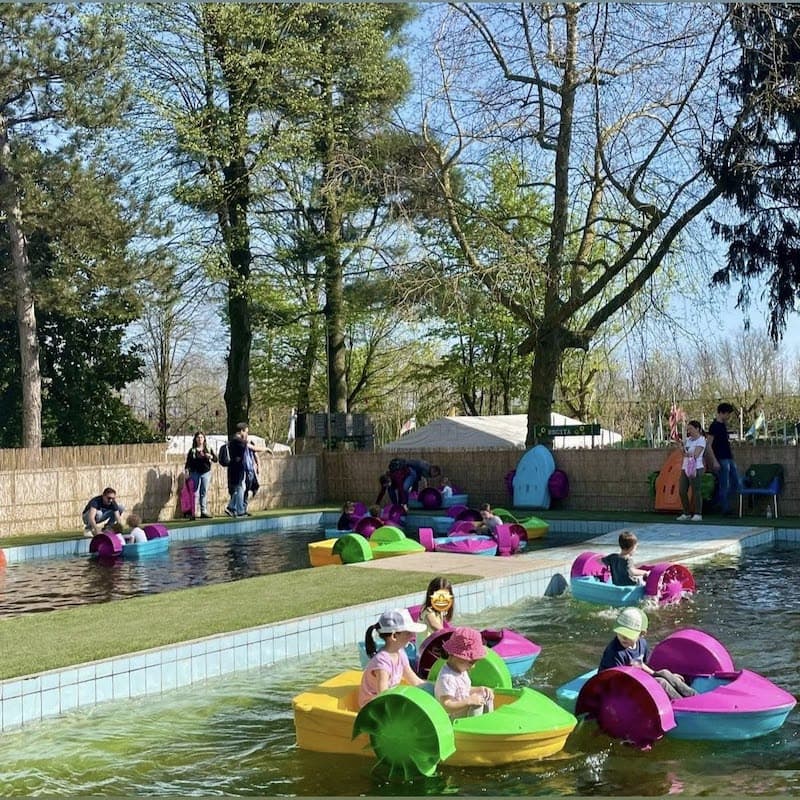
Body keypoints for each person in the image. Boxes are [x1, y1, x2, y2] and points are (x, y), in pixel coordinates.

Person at [599, 607, 697, 701]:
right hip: (621, 686)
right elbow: (616, 683)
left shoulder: (642, 644)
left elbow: (640, 664)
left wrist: (662, 675)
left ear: (641, 634)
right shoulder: (615, 653)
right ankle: (681, 703)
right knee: (661, 682)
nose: (623, 638)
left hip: (634, 678)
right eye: (620, 633)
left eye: (628, 635)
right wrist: (652, 681)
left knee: (664, 673)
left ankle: (694, 696)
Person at [358, 609, 428, 708]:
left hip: (388, 699)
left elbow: (415, 681)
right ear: (394, 636)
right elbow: (383, 695)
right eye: (408, 633)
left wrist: (434, 687)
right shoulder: (382, 662)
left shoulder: (400, 653)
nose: (412, 636)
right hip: (371, 707)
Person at [434, 627, 495, 719]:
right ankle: (476, 728)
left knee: (486, 697)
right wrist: (469, 701)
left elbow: (463, 691)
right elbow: (446, 706)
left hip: (464, 713)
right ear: (457, 657)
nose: (473, 666)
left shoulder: (461, 671)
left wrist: (479, 689)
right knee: (476, 704)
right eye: (471, 662)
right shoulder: (447, 678)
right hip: (454, 720)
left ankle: (489, 719)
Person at [707, 402, 739, 516]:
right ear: (721, 413)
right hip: (721, 458)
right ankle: (724, 508)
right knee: (724, 483)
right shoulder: (714, 426)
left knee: (736, 482)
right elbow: (708, 445)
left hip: (728, 457)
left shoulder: (723, 426)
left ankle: (718, 502)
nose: (729, 417)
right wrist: (714, 461)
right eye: (727, 414)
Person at [184, 431, 218, 520]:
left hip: (206, 473)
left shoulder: (208, 448)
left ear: (204, 439)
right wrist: (187, 471)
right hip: (195, 473)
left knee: (204, 492)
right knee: (195, 493)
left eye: (201, 437)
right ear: (195, 439)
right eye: (198, 437)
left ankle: (204, 511)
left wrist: (210, 456)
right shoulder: (192, 451)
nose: (200, 439)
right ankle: (193, 513)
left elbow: (215, 459)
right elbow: (188, 463)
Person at [677, 420, 706, 522]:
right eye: (688, 429)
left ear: (697, 429)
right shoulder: (688, 440)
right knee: (682, 490)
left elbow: (696, 455)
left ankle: (698, 513)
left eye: (691, 429)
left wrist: (687, 453)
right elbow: (684, 453)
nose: (689, 431)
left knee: (696, 491)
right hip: (685, 467)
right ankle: (686, 512)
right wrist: (681, 448)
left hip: (696, 467)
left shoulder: (702, 440)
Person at [224, 423, 251, 518]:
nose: (247, 434)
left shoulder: (233, 440)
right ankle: (240, 510)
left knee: (239, 488)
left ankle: (231, 506)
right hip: (237, 467)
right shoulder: (239, 441)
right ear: (241, 431)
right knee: (240, 488)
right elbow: (247, 448)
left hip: (235, 467)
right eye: (246, 432)